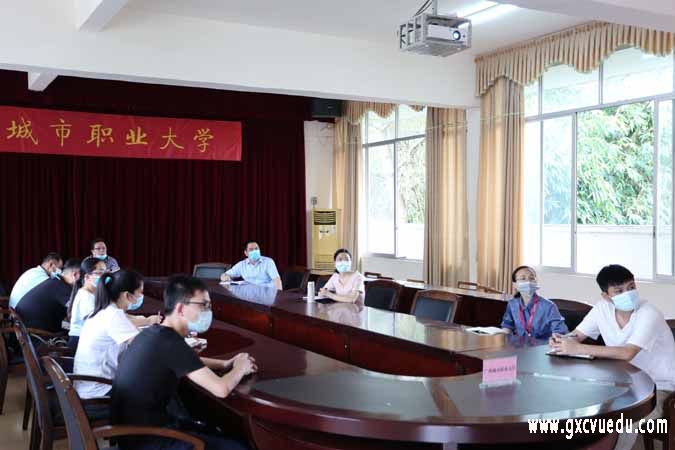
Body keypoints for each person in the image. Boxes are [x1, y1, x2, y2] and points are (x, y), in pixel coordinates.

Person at [112, 275, 257, 450]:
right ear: (180, 308)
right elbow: (221, 389)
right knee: (237, 447)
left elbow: (187, 360)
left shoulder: (154, 333)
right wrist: (240, 368)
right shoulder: (171, 343)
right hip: (149, 440)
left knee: (218, 431)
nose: (209, 311)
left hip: (133, 433)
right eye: (204, 305)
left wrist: (224, 364)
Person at [550, 264, 675, 450]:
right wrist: (563, 340)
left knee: (622, 422)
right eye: (619, 291)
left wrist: (577, 348)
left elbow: (628, 352)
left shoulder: (649, 313)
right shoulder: (602, 309)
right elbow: (577, 335)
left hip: (659, 388)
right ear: (606, 296)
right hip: (624, 383)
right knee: (581, 407)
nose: (628, 294)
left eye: (631, 287)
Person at [74, 270, 160, 399]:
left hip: (87, 386)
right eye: (140, 292)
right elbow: (145, 347)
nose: (141, 296)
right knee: (159, 383)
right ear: (127, 295)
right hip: (99, 392)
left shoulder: (103, 310)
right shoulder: (113, 315)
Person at [500, 265, 568, 339]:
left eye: (532, 278)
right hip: (519, 344)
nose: (528, 282)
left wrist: (556, 337)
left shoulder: (549, 306)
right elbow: (507, 326)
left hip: (542, 345)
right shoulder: (512, 304)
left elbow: (560, 331)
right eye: (523, 278)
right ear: (515, 285)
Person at [15, 258, 81, 333]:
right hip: (36, 332)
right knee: (78, 329)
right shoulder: (62, 287)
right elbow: (78, 312)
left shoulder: (55, 282)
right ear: (75, 275)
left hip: (27, 327)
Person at [68, 258, 107, 352]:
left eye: (106, 272)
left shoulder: (93, 294)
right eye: (100, 273)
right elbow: (100, 322)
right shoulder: (85, 296)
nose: (105, 276)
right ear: (87, 277)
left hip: (88, 340)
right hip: (80, 342)